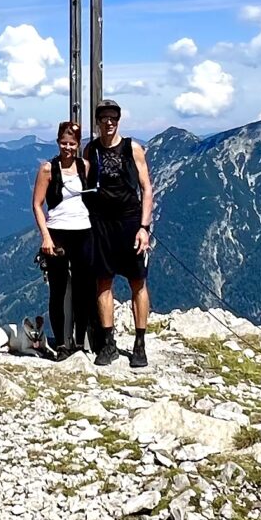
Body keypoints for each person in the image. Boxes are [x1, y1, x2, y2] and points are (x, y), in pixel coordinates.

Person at [85, 98, 155, 367]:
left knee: (138, 282)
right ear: (98, 121)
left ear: (118, 119)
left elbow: (146, 188)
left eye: (113, 117)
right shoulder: (91, 150)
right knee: (103, 282)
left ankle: (140, 344)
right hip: (102, 224)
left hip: (129, 222)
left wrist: (144, 228)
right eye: (104, 118)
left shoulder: (132, 148)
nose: (109, 122)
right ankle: (108, 344)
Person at [30, 121, 95, 358]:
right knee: (57, 290)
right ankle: (61, 344)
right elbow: (37, 204)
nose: (68, 147)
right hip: (57, 232)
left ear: (78, 145)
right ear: (58, 143)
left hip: (83, 231)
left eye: (72, 143)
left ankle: (78, 342)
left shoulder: (85, 166)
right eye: (64, 143)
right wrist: (45, 236)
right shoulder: (47, 169)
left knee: (83, 289)